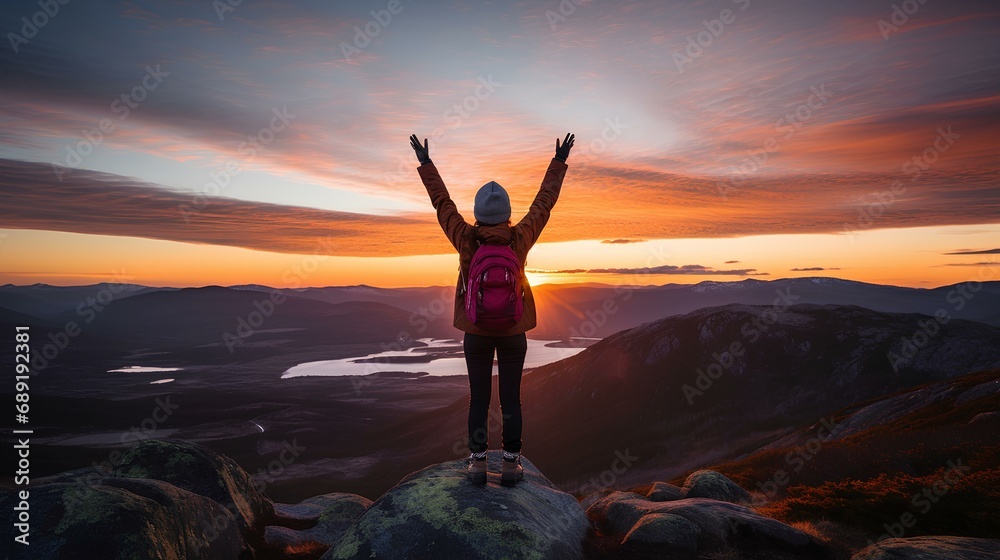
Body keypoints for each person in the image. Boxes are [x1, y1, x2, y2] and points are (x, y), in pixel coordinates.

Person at [409, 132, 574, 486]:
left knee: (479, 400)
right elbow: (544, 203)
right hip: (514, 332)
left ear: (478, 215)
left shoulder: (466, 239)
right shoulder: (520, 238)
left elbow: (442, 203)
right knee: (511, 400)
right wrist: (558, 162)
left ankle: (479, 464)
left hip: (477, 331)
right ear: (508, 214)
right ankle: (512, 465)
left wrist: (425, 163)